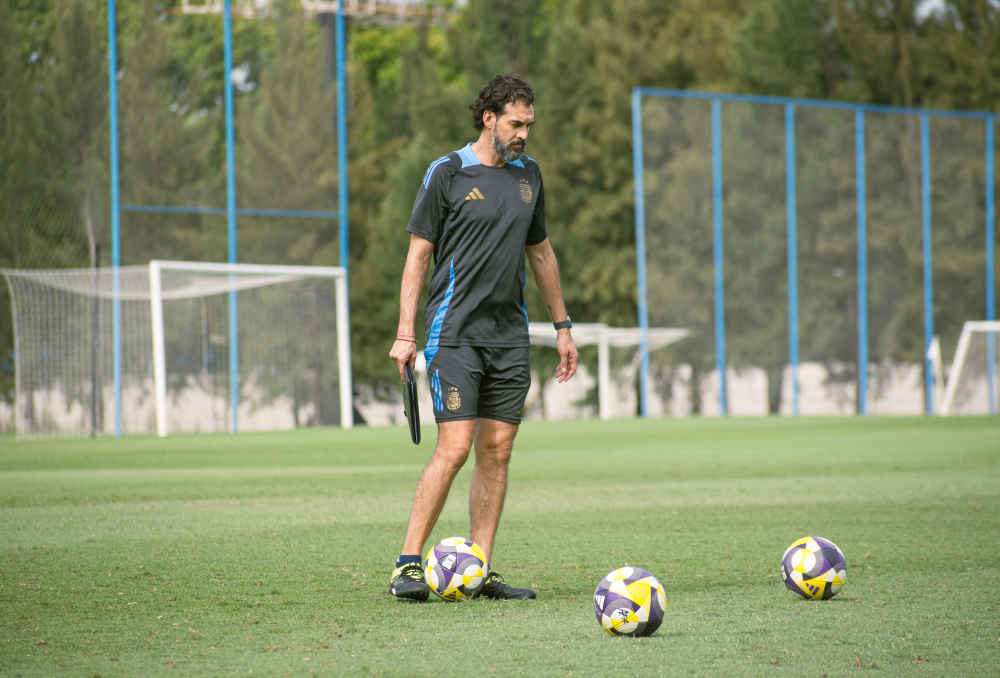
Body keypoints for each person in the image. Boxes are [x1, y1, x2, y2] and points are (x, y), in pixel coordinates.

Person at [388, 74, 578, 601]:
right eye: (516, 124)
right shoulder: (447, 172)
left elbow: (540, 252)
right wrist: (406, 334)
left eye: (529, 126)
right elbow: (417, 257)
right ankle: (407, 563)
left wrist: (562, 326)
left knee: (498, 450)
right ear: (489, 117)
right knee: (455, 448)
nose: (523, 135)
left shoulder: (530, 176)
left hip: (509, 338)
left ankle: (478, 566)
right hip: (454, 334)